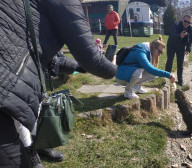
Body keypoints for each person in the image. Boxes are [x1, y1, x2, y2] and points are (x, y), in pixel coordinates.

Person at [0, 0, 117, 167]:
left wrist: (80, 68)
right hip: (7, 89)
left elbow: (55, 60)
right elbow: (93, 60)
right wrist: (116, 69)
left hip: (12, 89)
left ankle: (37, 150)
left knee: (22, 120)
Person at [165, 15, 192, 86]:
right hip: (171, 45)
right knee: (170, 61)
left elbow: (190, 40)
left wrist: (188, 49)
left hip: (181, 46)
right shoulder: (176, 24)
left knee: (180, 64)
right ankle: (166, 78)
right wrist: (179, 36)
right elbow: (172, 35)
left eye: (189, 22)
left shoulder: (190, 28)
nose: (186, 23)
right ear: (182, 20)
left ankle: (180, 80)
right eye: (185, 21)